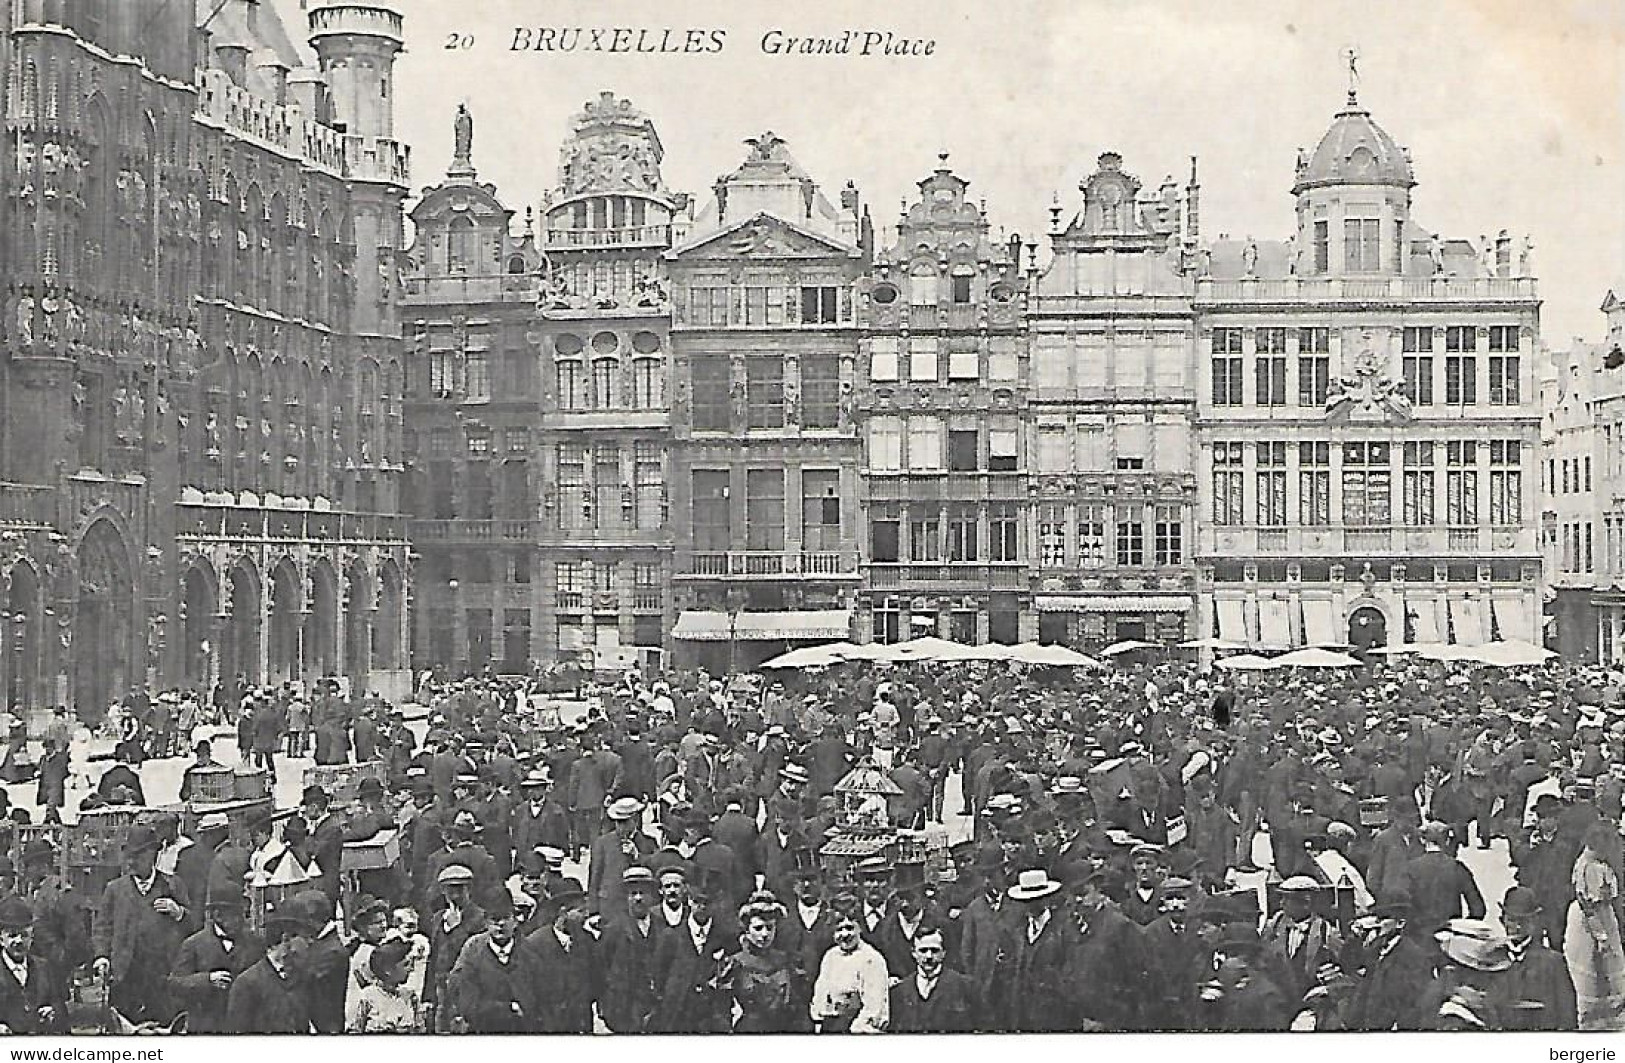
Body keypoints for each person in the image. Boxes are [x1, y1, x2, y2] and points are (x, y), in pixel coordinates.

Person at [92, 825, 192, 1025]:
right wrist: (102, 957)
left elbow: (192, 927)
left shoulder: (172, 885)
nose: (131, 862)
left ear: (152, 855)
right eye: (129, 856)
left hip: (162, 976)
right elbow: (102, 928)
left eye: (137, 856)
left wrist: (179, 912)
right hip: (125, 976)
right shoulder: (115, 889)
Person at [168, 895, 264, 1033]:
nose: (242, 921)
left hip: (245, 1026)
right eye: (236, 916)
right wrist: (207, 980)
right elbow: (174, 984)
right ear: (218, 916)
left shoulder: (255, 943)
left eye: (244, 915)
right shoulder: (193, 944)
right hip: (205, 1027)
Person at [1564, 820, 1625, 1030]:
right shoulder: (1593, 868)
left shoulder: (1584, 860)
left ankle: (1601, 1007)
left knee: (1595, 963)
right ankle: (1604, 1010)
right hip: (1595, 920)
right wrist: (1601, 936)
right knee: (1602, 959)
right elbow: (1592, 906)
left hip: (1586, 917)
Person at [1492, 886, 1577, 1030]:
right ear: (1502, 921)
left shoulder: (1553, 962)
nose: (1518, 927)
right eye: (1512, 920)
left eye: (1523, 921)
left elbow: (1567, 1014)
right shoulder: (1491, 960)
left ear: (1533, 922)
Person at [225, 910, 314, 1033]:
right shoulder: (247, 983)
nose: (310, 942)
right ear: (286, 939)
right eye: (306, 937)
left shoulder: (302, 977)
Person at [810, 899, 889, 1032]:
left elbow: (874, 1007)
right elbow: (821, 995)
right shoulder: (830, 956)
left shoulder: (871, 959)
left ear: (860, 928)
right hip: (831, 1025)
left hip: (857, 1028)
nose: (845, 935)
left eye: (850, 928)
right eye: (839, 930)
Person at [726, 890, 800, 1032]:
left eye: (770, 928)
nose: (765, 934)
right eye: (758, 928)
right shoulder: (736, 963)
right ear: (747, 930)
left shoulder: (786, 961)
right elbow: (722, 1009)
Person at [888, 923, 976, 1032]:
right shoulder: (899, 992)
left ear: (943, 953)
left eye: (934, 950)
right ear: (914, 953)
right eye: (923, 950)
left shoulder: (965, 987)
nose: (929, 956)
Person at [0, 896, 66, 1033]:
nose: (18, 941)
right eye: (12, 935)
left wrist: (53, 1013)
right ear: (1, 939)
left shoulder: (44, 968)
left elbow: (60, 1008)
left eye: (24, 935)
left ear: (32, 937)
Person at [347, 939, 423, 1033]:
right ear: (388, 971)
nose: (411, 969)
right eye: (406, 965)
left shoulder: (411, 997)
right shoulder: (367, 997)